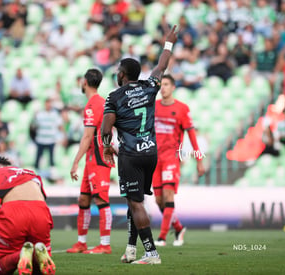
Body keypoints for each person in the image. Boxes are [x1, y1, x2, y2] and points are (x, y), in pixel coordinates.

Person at [101, 25, 178, 264]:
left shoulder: (114, 96)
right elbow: (162, 65)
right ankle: (131, 249)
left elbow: (105, 130)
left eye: (118, 71)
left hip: (130, 155)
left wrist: (107, 145)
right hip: (151, 153)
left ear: (123, 75)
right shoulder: (149, 86)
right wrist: (168, 43)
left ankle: (152, 252)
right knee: (135, 202)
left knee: (135, 203)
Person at [0, 157, 55, 275]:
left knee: (1, 269)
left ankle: (19, 255)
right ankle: (36, 253)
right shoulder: (29, 173)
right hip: (41, 210)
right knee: (37, 266)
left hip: (13, 210)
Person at [152, 74, 205, 247]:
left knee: (168, 196)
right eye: (162, 85)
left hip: (171, 158)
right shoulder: (154, 106)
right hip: (154, 159)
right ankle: (179, 228)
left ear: (173, 87)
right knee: (159, 201)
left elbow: (192, 135)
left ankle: (162, 237)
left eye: (167, 84)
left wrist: (199, 160)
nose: (163, 88)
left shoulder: (182, 109)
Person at [67, 69, 113, 254]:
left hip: (99, 157)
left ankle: (105, 244)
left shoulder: (93, 105)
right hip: (93, 157)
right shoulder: (100, 102)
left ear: (84, 82)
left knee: (101, 198)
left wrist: (75, 162)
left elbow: (87, 137)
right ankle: (81, 242)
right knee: (84, 198)